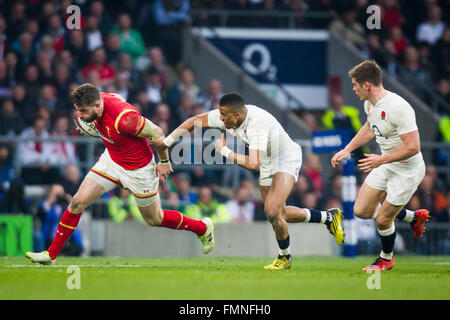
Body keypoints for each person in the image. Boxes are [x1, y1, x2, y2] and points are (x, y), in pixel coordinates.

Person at [25, 83, 215, 265]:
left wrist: (164, 161)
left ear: (98, 105)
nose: (80, 116)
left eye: (84, 111)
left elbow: (157, 132)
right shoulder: (97, 103)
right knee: (77, 202)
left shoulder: (125, 120)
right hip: (112, 161)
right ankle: (51, 255)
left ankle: (202, 228)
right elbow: (103, 111)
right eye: (79, 110)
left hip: (139, 169)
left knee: (154, 219)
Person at [151, 92, 344, 270]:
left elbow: (253, 164)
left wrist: (224, 151)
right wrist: (167, 142)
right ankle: (328, 218)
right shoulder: (227, 116)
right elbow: (194, 121)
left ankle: (284, 258)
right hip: (267, 159)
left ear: (237, 116)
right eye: (220, 113)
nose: (220, 118)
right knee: (278, 213)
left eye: (224, 114)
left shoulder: (256, 125)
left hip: (285, 157)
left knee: (272, 210)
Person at [331, 60, 430, 271]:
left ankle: (386, 259)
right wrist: (347, 149)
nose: (353, 88)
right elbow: (369, 127)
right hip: (386, 163)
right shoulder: (369, 104)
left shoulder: (398, 108)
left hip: (407, 169)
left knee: (383, 220)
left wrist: (380, 160)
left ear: (367, 85)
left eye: (355, 84)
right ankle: (414, 217)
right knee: (361, 210)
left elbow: (413, 147)